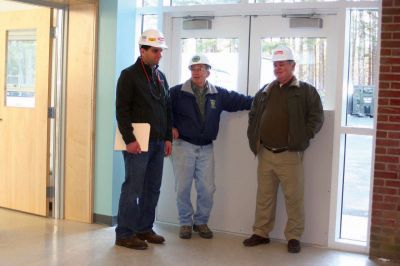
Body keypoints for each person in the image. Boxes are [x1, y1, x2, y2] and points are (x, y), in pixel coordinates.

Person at [244, 46, 324, 253]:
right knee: (264, 197)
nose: (278, 68)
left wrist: (302, 136)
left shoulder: (306, 91)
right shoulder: (265, 90)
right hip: (266, 154)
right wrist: (254, 136)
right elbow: (253, 115)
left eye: (282, 64)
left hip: (290, 155)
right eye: (275, 65)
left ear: (292, 66)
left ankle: (294, 236)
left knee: (294, 198)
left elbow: (316, 117)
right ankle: (261, 233)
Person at [170, 54, 253, 239]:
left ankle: (201, 222)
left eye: (200, 68)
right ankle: (185, 222)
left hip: (206, 148)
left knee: (207, 188)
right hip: (183, 146)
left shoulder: (218, 94)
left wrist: (262, 100)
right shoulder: (176, 92)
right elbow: (162, 109)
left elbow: (242, 101)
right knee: (182, 187)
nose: (196, 72)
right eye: (193, 68)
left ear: (208, 71)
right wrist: (170, 126)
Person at [115, 29, 172, 250]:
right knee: (133, 188)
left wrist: (167, 137)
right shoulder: (129, 75)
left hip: (158, 142)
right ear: (142, 50)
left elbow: (167, 109)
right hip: (137, 144)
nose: (159, 55)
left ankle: (144, 228)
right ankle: (124, 233)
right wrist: (129, 139)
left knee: (152, 188)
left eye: (160, 51)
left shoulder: (160, 76)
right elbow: (122, 110)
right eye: (155, 51)